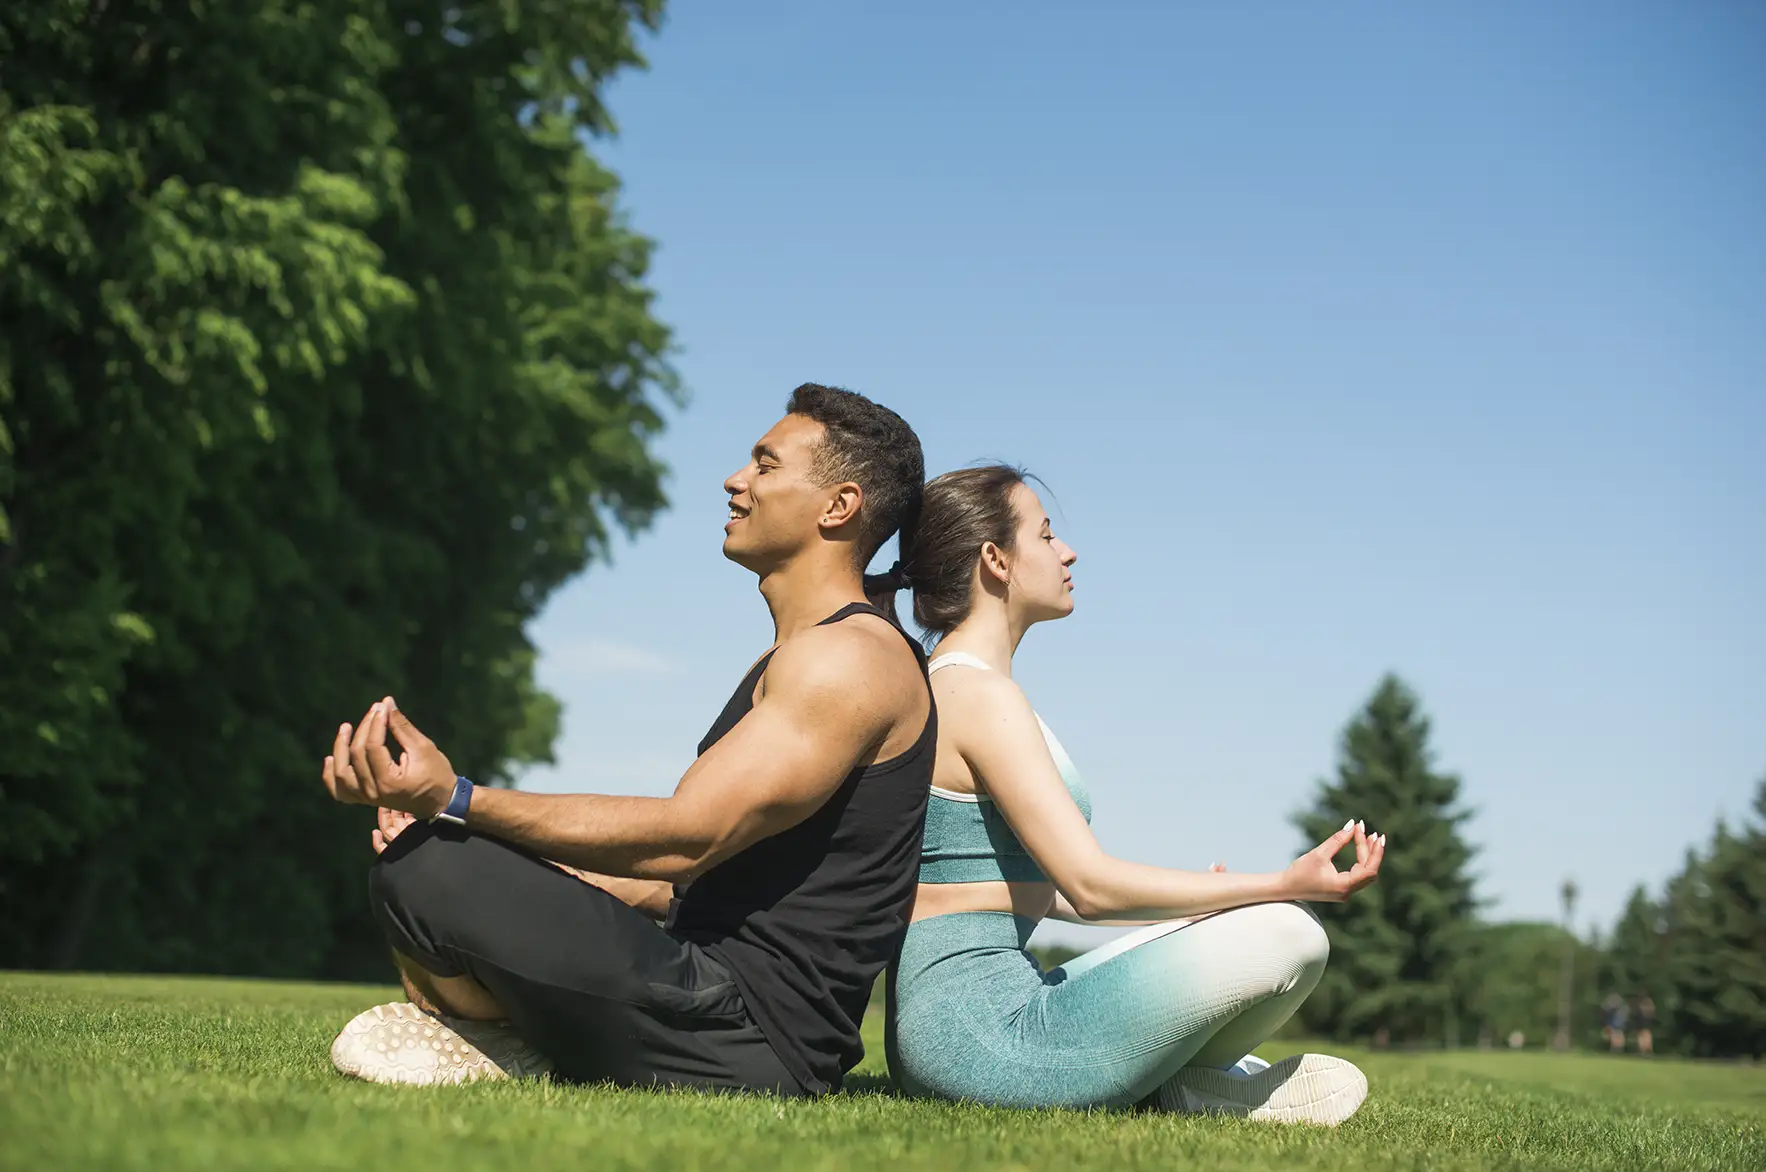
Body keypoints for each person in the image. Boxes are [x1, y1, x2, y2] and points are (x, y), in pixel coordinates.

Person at [320, 384, 934, 1097]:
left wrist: (455, 797)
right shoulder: (796, 659)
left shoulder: (850, 660)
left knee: (433, 863)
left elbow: (686, 839)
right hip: (704, 989)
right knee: (428, 859)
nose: (736, 481)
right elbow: (687, 879)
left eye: (766, 465)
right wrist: (503, 855)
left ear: (839, 505)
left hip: (747, 1034)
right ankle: (518, 1033)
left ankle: (514, 1039)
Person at [881, 465, 1386, 1125]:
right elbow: (1091, 885)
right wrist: (1280, 882)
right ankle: (1197, 1080)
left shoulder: (968, 687)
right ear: (996, 560)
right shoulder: (976, 694)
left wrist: (1197, 909)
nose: (1069, 551)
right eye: (1047, 534)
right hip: (977, 1034)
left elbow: (1044, 890)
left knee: (1260, 926)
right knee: (1290, 931)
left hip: (968, 1023)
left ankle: (1185, 1082)